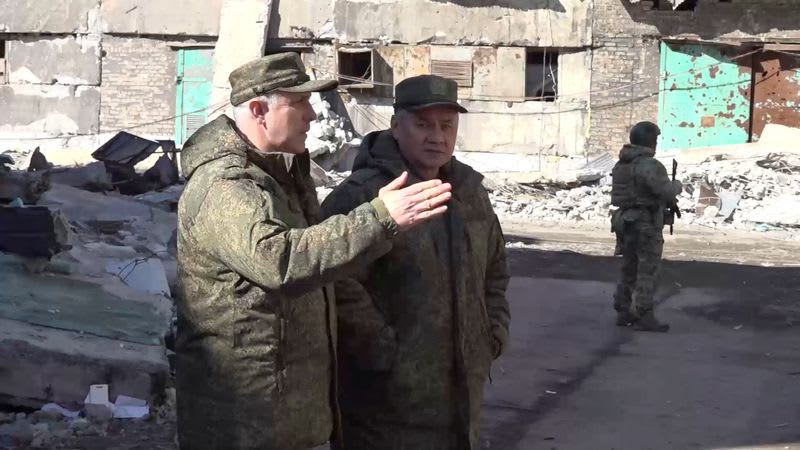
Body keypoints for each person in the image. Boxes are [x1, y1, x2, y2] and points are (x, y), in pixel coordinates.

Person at [174, 53, 452, 450]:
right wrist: (378, 218)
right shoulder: (225, 185)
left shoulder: (281, 175)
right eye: (299, 102)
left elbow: (321, 269)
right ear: (259, 111)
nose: (312, 114)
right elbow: (280, 260)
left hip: (288, 417)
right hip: (244, 425)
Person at [321, 75, 510, 450]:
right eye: (423, 125)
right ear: (396, 126)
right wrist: (380, 346)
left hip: (461, 403)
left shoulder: (469, 192)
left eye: (446, 125)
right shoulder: (363, 195)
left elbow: (494, 269)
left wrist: (493, 332)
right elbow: (331, 278)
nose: (437, 137)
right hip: (386, 406)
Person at [610, 121, 683, 332]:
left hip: (625, 220)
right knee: (647, 270)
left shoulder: (622, 164)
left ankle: (623, 310)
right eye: (655, 139)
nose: (657, 143)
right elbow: (665, 191)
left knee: (629, 267)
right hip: (645, 222)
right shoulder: (650, 165)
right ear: (649, 141)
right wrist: (677, 186)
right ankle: (644, 314)